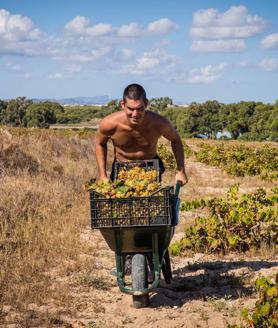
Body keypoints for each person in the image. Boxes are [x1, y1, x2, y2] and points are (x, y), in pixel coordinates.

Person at [95, 83, 188, 185]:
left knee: (152, 200)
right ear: (122, 104)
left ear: (146, 104)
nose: (135, 114)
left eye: (139, 109)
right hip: (122, 169)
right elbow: (100, 143)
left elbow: (175, 139)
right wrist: (102, 175)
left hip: (150, 169)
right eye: (130, 109)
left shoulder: (159, 123)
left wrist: (181, 171)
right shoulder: (109, 124)